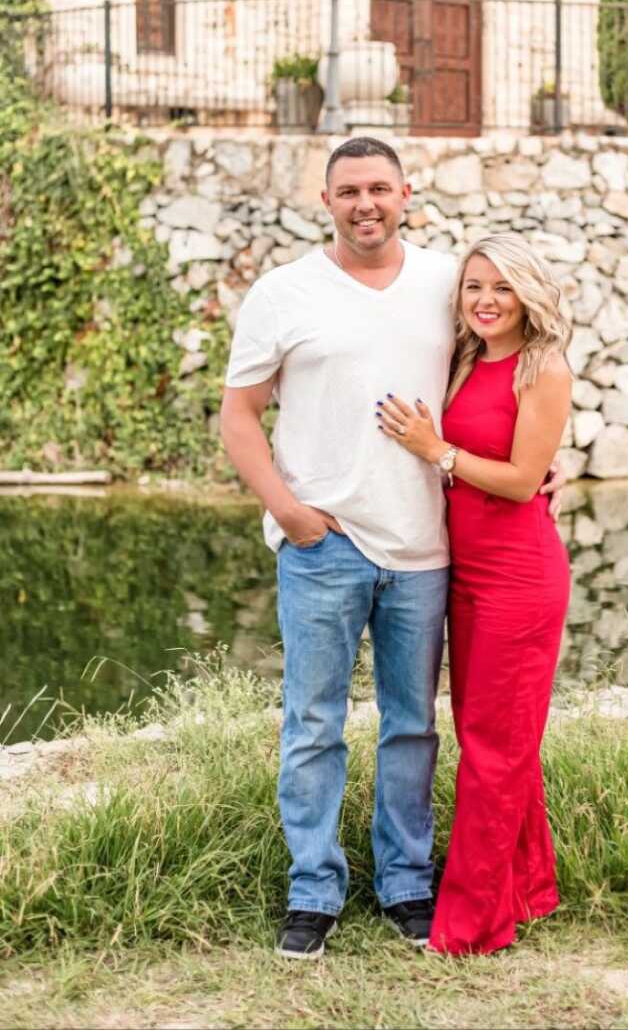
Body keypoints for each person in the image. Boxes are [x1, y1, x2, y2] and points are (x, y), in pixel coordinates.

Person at [219, 138, 563, 960]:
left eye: (380, 187)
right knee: (312, 723)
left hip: (427, 551)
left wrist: (543, 468)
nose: (365, 202)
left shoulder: (449, 280)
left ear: (407, 193)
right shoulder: (284, 292)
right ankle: (314, 888)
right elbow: (239, 416)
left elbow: (511, 366)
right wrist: (291, 514)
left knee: (413, 726)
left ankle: (407, 880)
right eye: (349, 190)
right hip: (324, 545)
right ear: (327, 200)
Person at [377, 233, 572, 956]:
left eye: (502, 287)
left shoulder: (543, 366)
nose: (487, 300)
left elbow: (523, 480)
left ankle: (469, 926)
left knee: (494, 747)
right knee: (494, 738)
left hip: (520, 579)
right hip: (467, 574)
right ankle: (528, 885)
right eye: (474, 287)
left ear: (529, 293)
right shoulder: (466, 358)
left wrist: (438, 453)